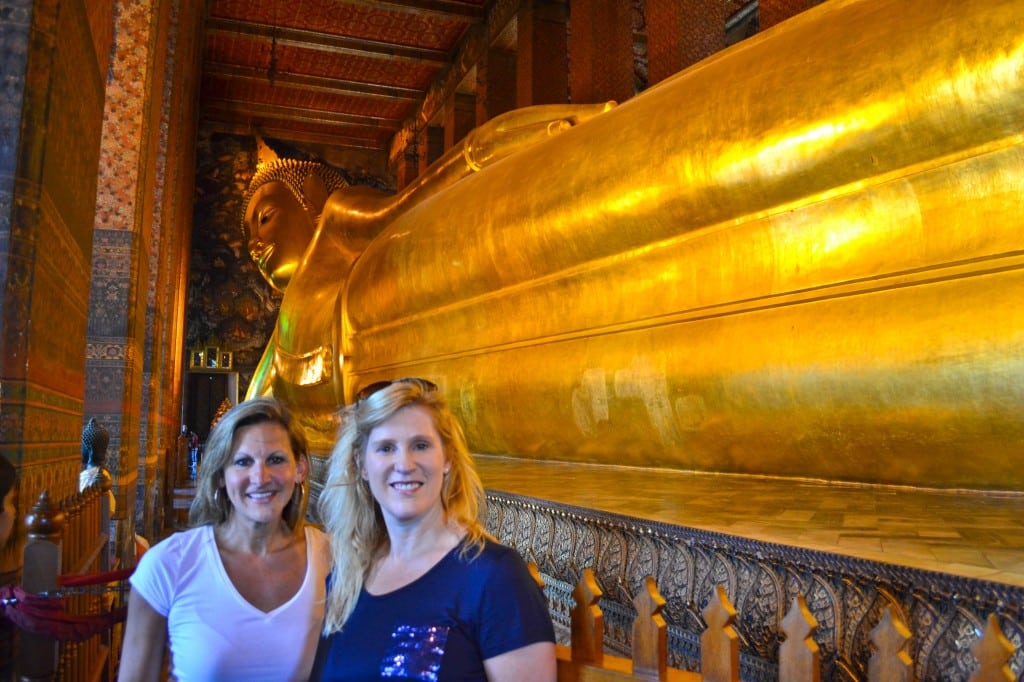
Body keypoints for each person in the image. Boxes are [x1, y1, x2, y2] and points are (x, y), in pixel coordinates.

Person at [312, 378, 556, 681]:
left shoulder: (493, 577)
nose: (404, 463)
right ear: (362, 464)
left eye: (421, 445)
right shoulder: (347, 576)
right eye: (386, 448)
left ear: (447, 459)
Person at [119, 397, 328, 682]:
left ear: (300, 468)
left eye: (276, 460)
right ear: (220, 475)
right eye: (243, 462)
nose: (260, 477)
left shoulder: (332, 560)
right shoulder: (169, 565)